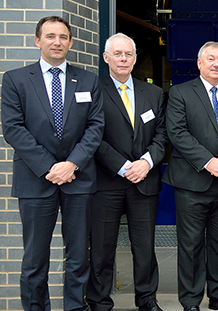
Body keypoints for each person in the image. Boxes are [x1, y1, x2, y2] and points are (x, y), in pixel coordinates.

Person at [1, 15, 104, 311]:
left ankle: (75, 307)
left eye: (63, 37)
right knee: (35, 258)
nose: (57, 42)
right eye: (50, 36)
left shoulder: (87, 80)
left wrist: (71, 164)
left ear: (70, 42)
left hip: (79, 179)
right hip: (35, 180)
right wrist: (50, 167)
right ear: (38, 41)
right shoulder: (15, 79)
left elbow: (95, 127)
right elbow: (13, 129)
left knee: (78, 256)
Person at [87, 33, 168, 311]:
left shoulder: (154, 93)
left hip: (145, 180)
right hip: (107, 181)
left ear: (135, 59)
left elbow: (163, 134)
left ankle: (147, 300)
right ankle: (98, 301)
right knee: (102, 248)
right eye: (118, 54)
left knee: (145, 248)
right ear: (106, 58)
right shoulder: (93, 90)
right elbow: (92, 136)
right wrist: (122, 167)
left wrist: (146, 162)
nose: (124, 59)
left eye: (129, 54)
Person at [163, 41, 218, 311]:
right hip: (192, 183)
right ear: (199, 63)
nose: (216, 64)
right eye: (211, 59)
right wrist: (208, 161)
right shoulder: (180, 93)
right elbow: (177, 133)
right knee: (191, 245)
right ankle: (191, 300)